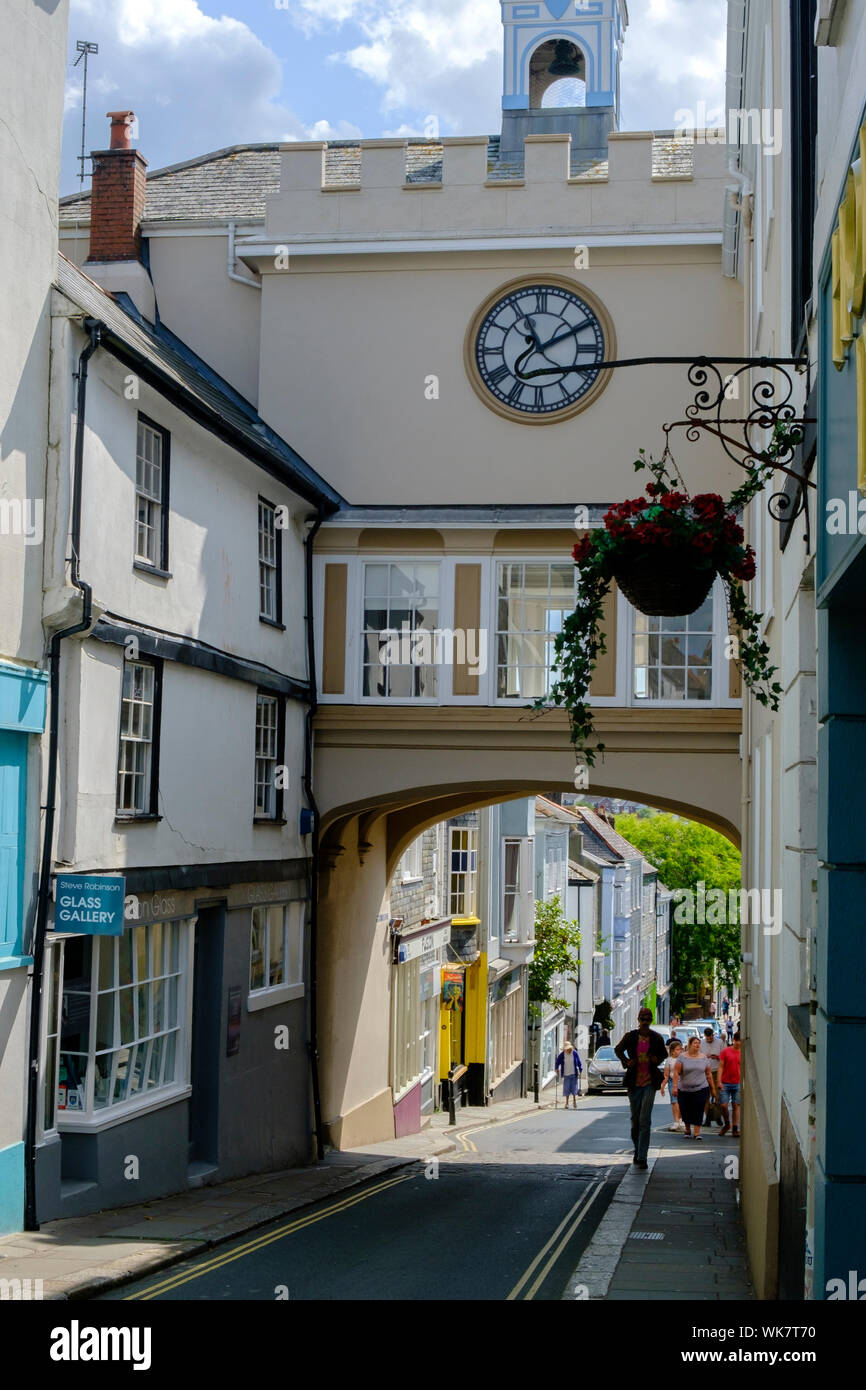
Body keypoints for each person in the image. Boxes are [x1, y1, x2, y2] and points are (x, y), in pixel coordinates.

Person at [614, 1007, 667, 1169]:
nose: (645, 1022)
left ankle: (642, 1157)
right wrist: (626, 1061)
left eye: (648, 1019)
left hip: (649, 1083)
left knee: (645, 1120)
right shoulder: (630, 1037)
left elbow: (664, 1054)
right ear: (638, 1020)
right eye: (642, 1019)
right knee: (635, 1121)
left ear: (651, 1021)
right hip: (634, 1083)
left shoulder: (656, 1038)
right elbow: (618, 1049)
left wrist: (655, 1059)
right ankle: (637, 1150)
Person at [673, 1035, 717, 1139]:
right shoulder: (682, 1057)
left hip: (701, 1088)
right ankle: (688, 1130)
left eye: (698, 1043)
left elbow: (709, 1074)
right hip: (684, 1089)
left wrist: (713, 1088)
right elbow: (676, 1072)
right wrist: (674, 1086)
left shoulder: (704, 1057)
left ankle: (697, 1133)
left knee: (699, 1109)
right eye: (695, 1043)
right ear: (690, 1045)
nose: (697, 1045)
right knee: (685, 1109)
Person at [718, 1030, 742, 1136]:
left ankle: (735, 1128)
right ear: (733, 1040)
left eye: (740, 1041)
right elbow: (721, 1066)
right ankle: (727, 1123)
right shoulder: (725, 1051)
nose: (739, 1043)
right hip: (725, 1082)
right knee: (723, 1105)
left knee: (736, 1105)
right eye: (737, 1041)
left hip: (737, 1083)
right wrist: (719, 1081)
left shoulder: (742, 1052)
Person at [700, 1026, 724, 1127]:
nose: (709, 1040)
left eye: (711, 1038)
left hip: (716, 1071)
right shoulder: (701, 1043)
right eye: (707, 1038)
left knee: (717, 1096)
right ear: (705, 1036)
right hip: (704, 1072)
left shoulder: (719, 1042)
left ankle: (718, 1116)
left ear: (713, 1035)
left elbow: (724, 1056)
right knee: (705, 1097)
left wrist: (716, 1057)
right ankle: (708, 1119)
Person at [661, 1039, 685, 1131]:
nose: (679, 1051)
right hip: (672, 1082)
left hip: (682, 1082)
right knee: (675, 1102)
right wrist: (663, 1086)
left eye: (680, 1049)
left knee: (682, 1102)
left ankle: (681, 1120)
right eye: (677, 1049)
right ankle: (676, 1122)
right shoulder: (669, 1060)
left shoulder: (684, 1059)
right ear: (672, 1051)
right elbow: (666, 1075)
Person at [555, 1040, 583, 1109]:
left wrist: (580, 1069)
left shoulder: (575, 1053)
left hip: (574, 1073)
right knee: (566, 1089)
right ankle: (567, 1103)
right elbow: (557, 1062)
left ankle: (574, 1101)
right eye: (566, 1049)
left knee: (574, 1089)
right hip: (566, 1074)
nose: (568, 1050)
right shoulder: (562, 1054)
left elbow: (579, 1061)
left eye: (569, 1049)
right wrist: (556, 1068)